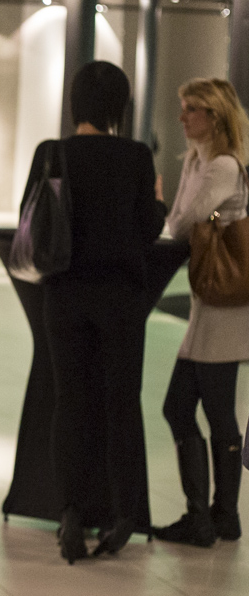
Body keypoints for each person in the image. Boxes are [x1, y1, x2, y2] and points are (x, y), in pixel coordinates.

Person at [25, 61, 166, 563]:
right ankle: (123, 514)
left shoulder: (52, 153)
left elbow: (30, 222)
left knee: (70, 401)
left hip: (64, 294)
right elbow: (148, 229)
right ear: (119, 107)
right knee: (121, 403)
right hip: (120, 298)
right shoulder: (136, 156)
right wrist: (158, 203)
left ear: (75, 103)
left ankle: (70, 511)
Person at [154, 78, 249, 546]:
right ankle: (213, 516)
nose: (182, 117)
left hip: (225, 307)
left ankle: (217, 515)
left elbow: (182, 223)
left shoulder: (225, 166)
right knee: (186, 407)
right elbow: (180, 220)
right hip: (207, 305)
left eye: (191, 109)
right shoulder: (196, 160)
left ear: (214, 116)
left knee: (208, 408)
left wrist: (165, 214)